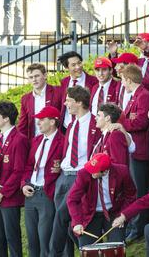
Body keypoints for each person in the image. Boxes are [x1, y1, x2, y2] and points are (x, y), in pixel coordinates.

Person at [50, 86, 101, 257]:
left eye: (68, 101)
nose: (65, 104)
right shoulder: (71, 124)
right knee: (69, 222)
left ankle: (53, 253)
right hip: (64, 176)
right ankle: (87, 250)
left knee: (60, 215)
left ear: (79, 102)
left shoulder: (96, 123)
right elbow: (68, 149)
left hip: (80, 175)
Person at [117, 64, 149, 243]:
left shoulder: (143, 96)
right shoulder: (136, 96)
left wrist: (121, 125)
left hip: (140, 150)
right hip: (134, 148)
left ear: (129, 80)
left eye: (123, 80)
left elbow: (140, 123)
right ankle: (135, 225)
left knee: (140, 190)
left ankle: (138, 227)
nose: (122, 83)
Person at [0, 101, 28, 257]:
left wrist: (0, 194)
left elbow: (18, 171)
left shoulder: (20, 139)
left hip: (9, 198)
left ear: (6, 118)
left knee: (12, 239)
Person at [67, 152, 136, 247]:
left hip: (114, 213)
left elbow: (131, 195)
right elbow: (72, 199)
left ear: (105, 171)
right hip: (91, 215)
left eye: (94, 170)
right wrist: (77, 222)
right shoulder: (83, 174)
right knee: (88, 249)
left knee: (116, 247)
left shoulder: (122, 171)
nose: (90, 171)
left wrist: (122, 215)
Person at [21, 106, 64, 257]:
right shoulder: (37, 140)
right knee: (32, 241)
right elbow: (28, 165)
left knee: (45, 239)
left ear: (52, 121)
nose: (38, 123)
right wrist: (24, 184)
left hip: (47, 194)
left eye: (42, 120)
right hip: (30, 193)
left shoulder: (62, 141)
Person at [18, 63, 63, 140]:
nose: (34, 80)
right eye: (31, 77)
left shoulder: (58, 92)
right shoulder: (25, 99)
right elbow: (23, 125)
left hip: (56, 140)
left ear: (45, 75)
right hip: (34, 142)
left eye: (37, 76)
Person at [58, 51, 98, 130]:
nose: (78, 67)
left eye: (79, 63)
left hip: (86, 126)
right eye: (73, 65)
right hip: (66, 126)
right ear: (67, 67)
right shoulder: (64, 82)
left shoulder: (94, 82)